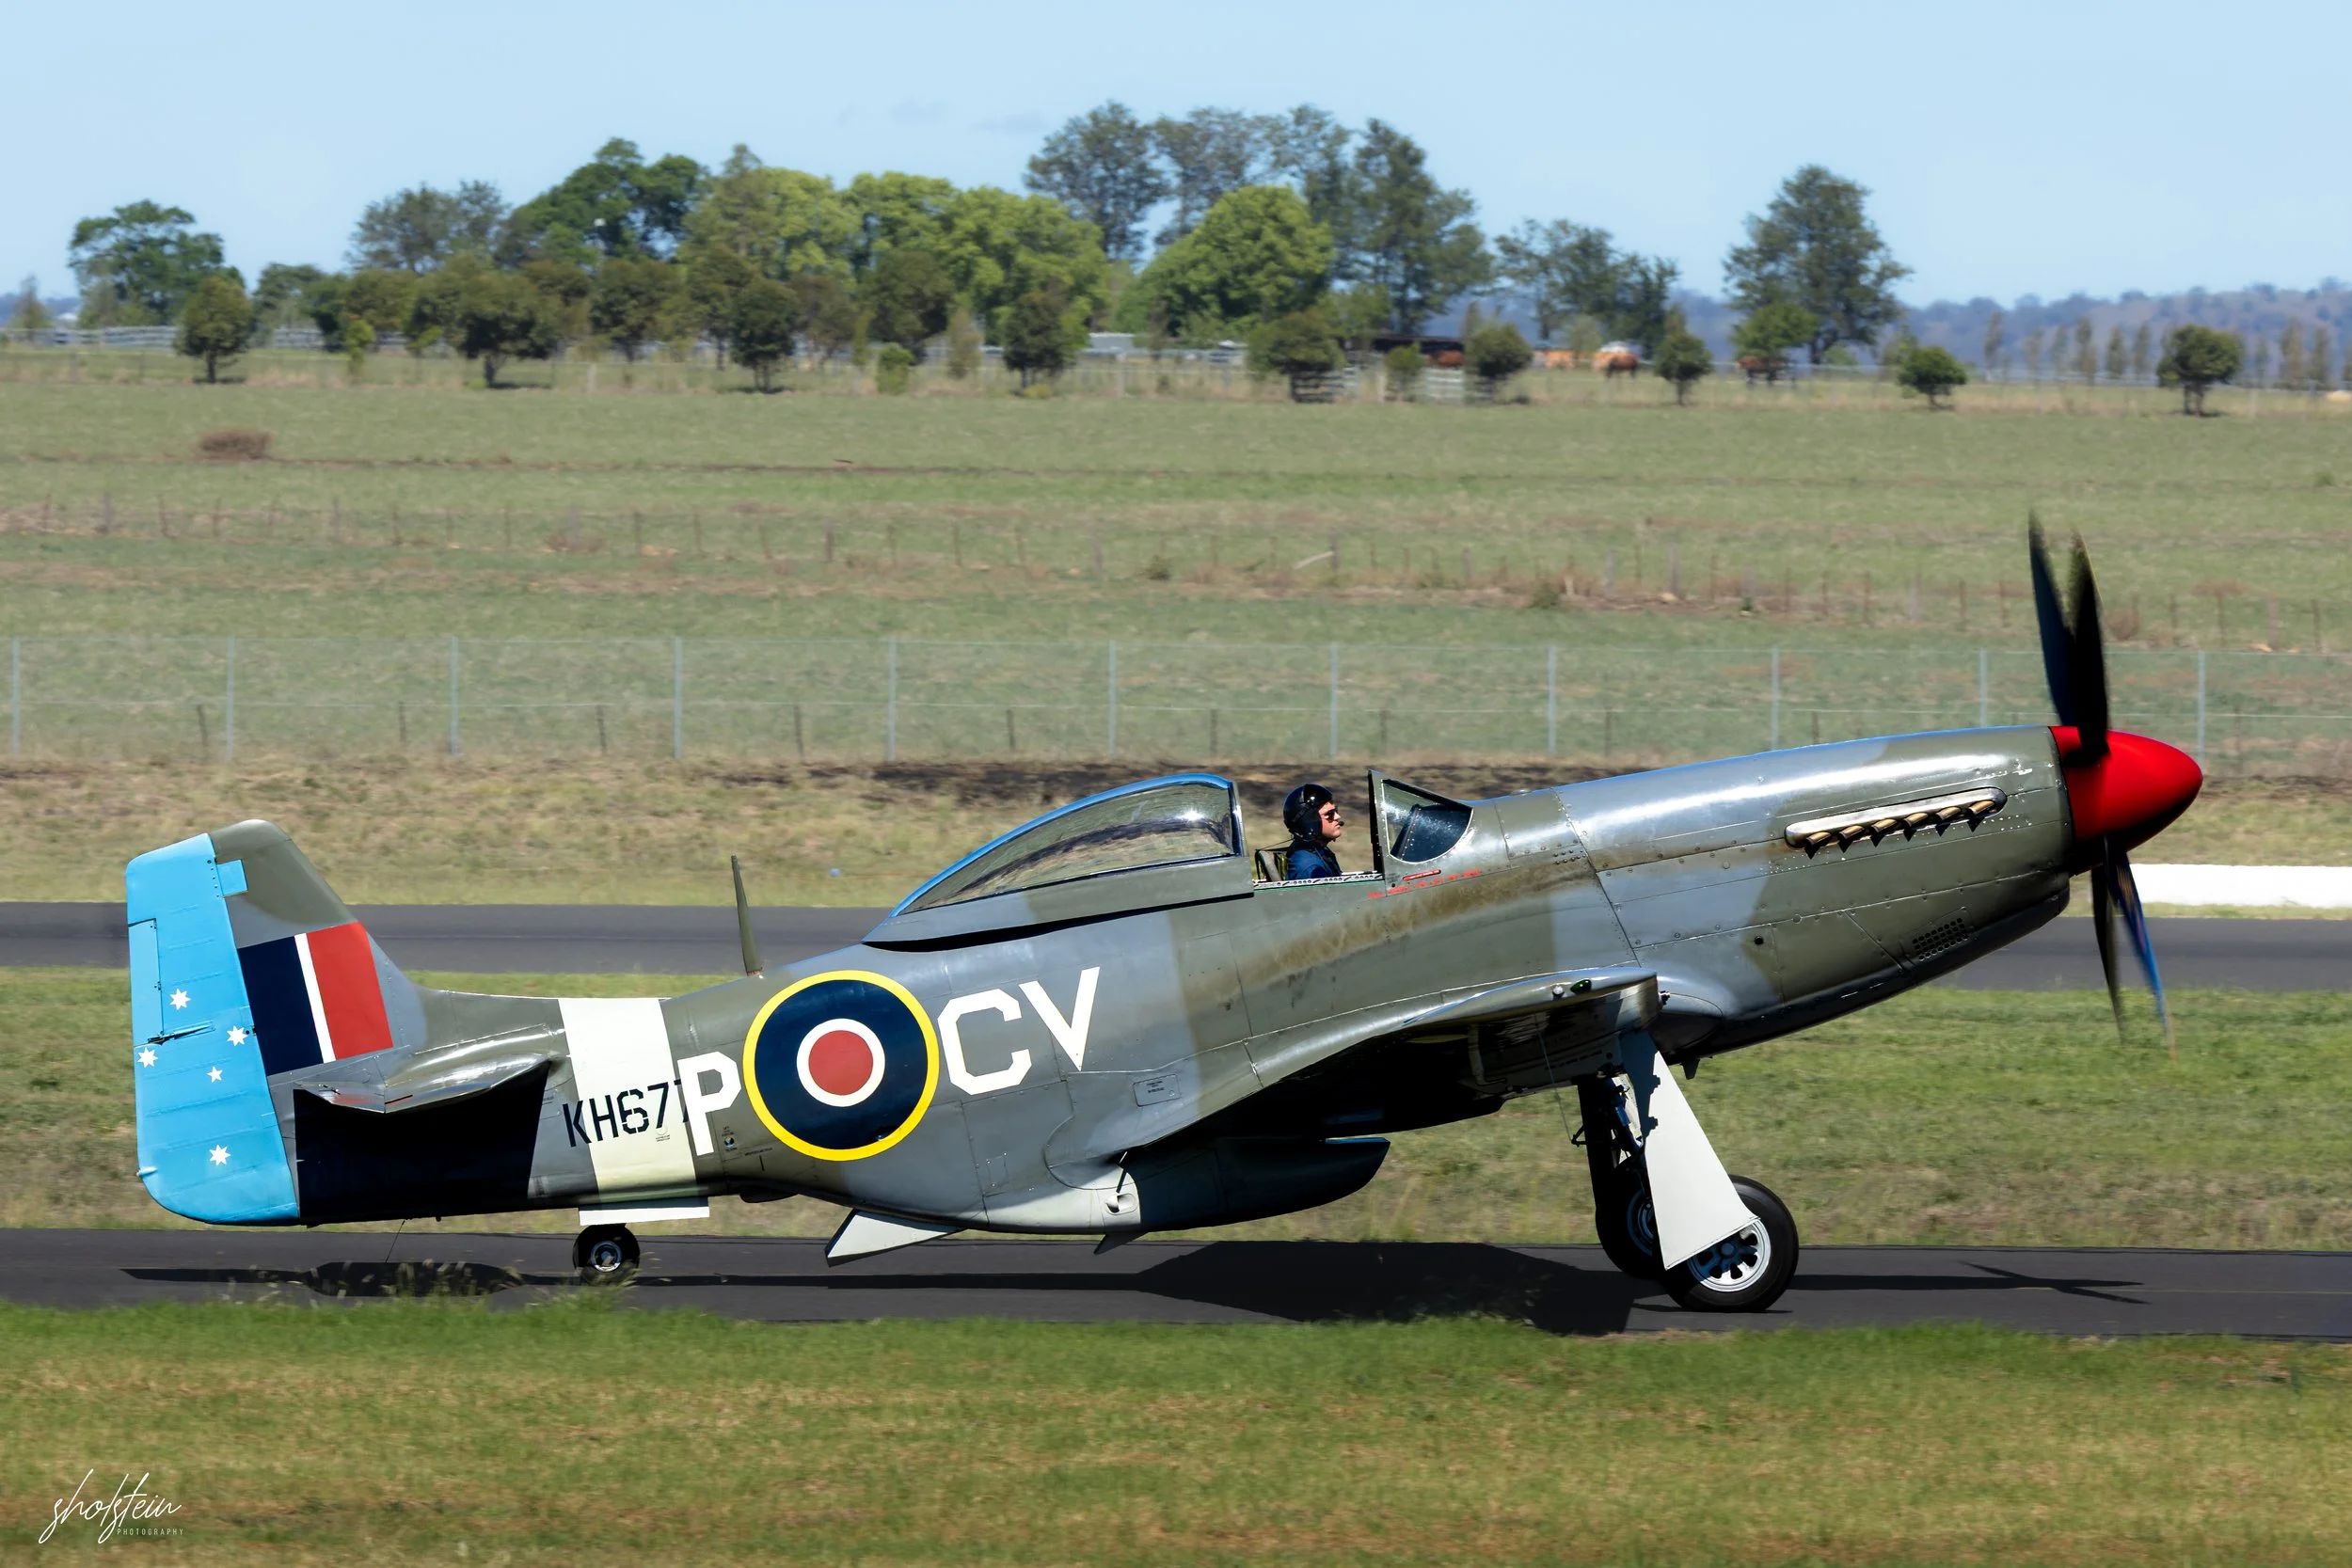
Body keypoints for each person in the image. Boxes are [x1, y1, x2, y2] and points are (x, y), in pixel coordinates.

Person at [1280, 783, 1346, 879]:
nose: (1337, 817)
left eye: (1336, 811)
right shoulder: (1311, 869)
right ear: (1309, 822)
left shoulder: (1318, 850)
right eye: (1330, 814)